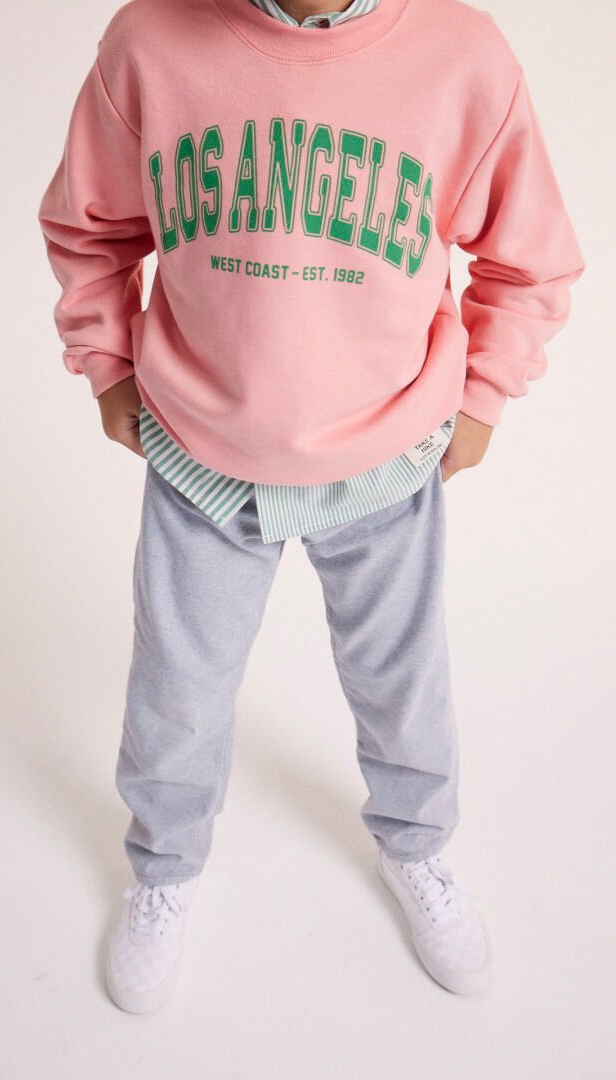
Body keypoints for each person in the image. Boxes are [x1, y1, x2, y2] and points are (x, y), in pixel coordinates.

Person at [38, 0, 585, 1013]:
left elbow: (529, 257)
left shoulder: (462, 57)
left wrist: (483, 395)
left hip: (384, 456)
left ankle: (415, 849)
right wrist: (107, 363)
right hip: (202, 454)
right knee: (177, 690)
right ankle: (165, 868)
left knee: (401, 686)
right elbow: (89, 225)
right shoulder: (150, 43)